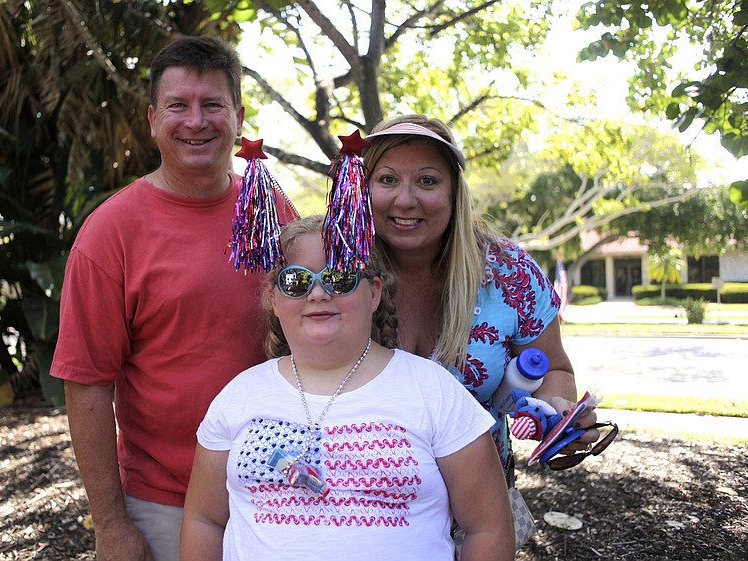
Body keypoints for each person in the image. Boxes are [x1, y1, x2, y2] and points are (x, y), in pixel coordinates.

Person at [50, 36, 297, 561]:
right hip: (167, 501)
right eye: (177, 106)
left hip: (282, 487)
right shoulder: (110, 233)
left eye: (212, 105)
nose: (196, 121)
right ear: (152, 119)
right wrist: (111, 525)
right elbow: (87, 384)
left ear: (238, 115)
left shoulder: (270, 206)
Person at [180, 216, 515, 561]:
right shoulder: (239, 397)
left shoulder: (433, 390)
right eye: (296, 281)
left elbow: (487, 527)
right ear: (274, 299)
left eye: (339, 278)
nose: (319, 293)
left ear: (373, 292)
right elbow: (204, 520)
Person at [361, 115, 599, 483]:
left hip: (480, 507)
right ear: (361, 188)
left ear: (455, 192)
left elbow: (554, 368)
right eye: (387, 179)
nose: (405, 200)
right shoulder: (332, 267)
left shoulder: (509, 270)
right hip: (356, 508)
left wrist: (555, 410)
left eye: (427, 180)